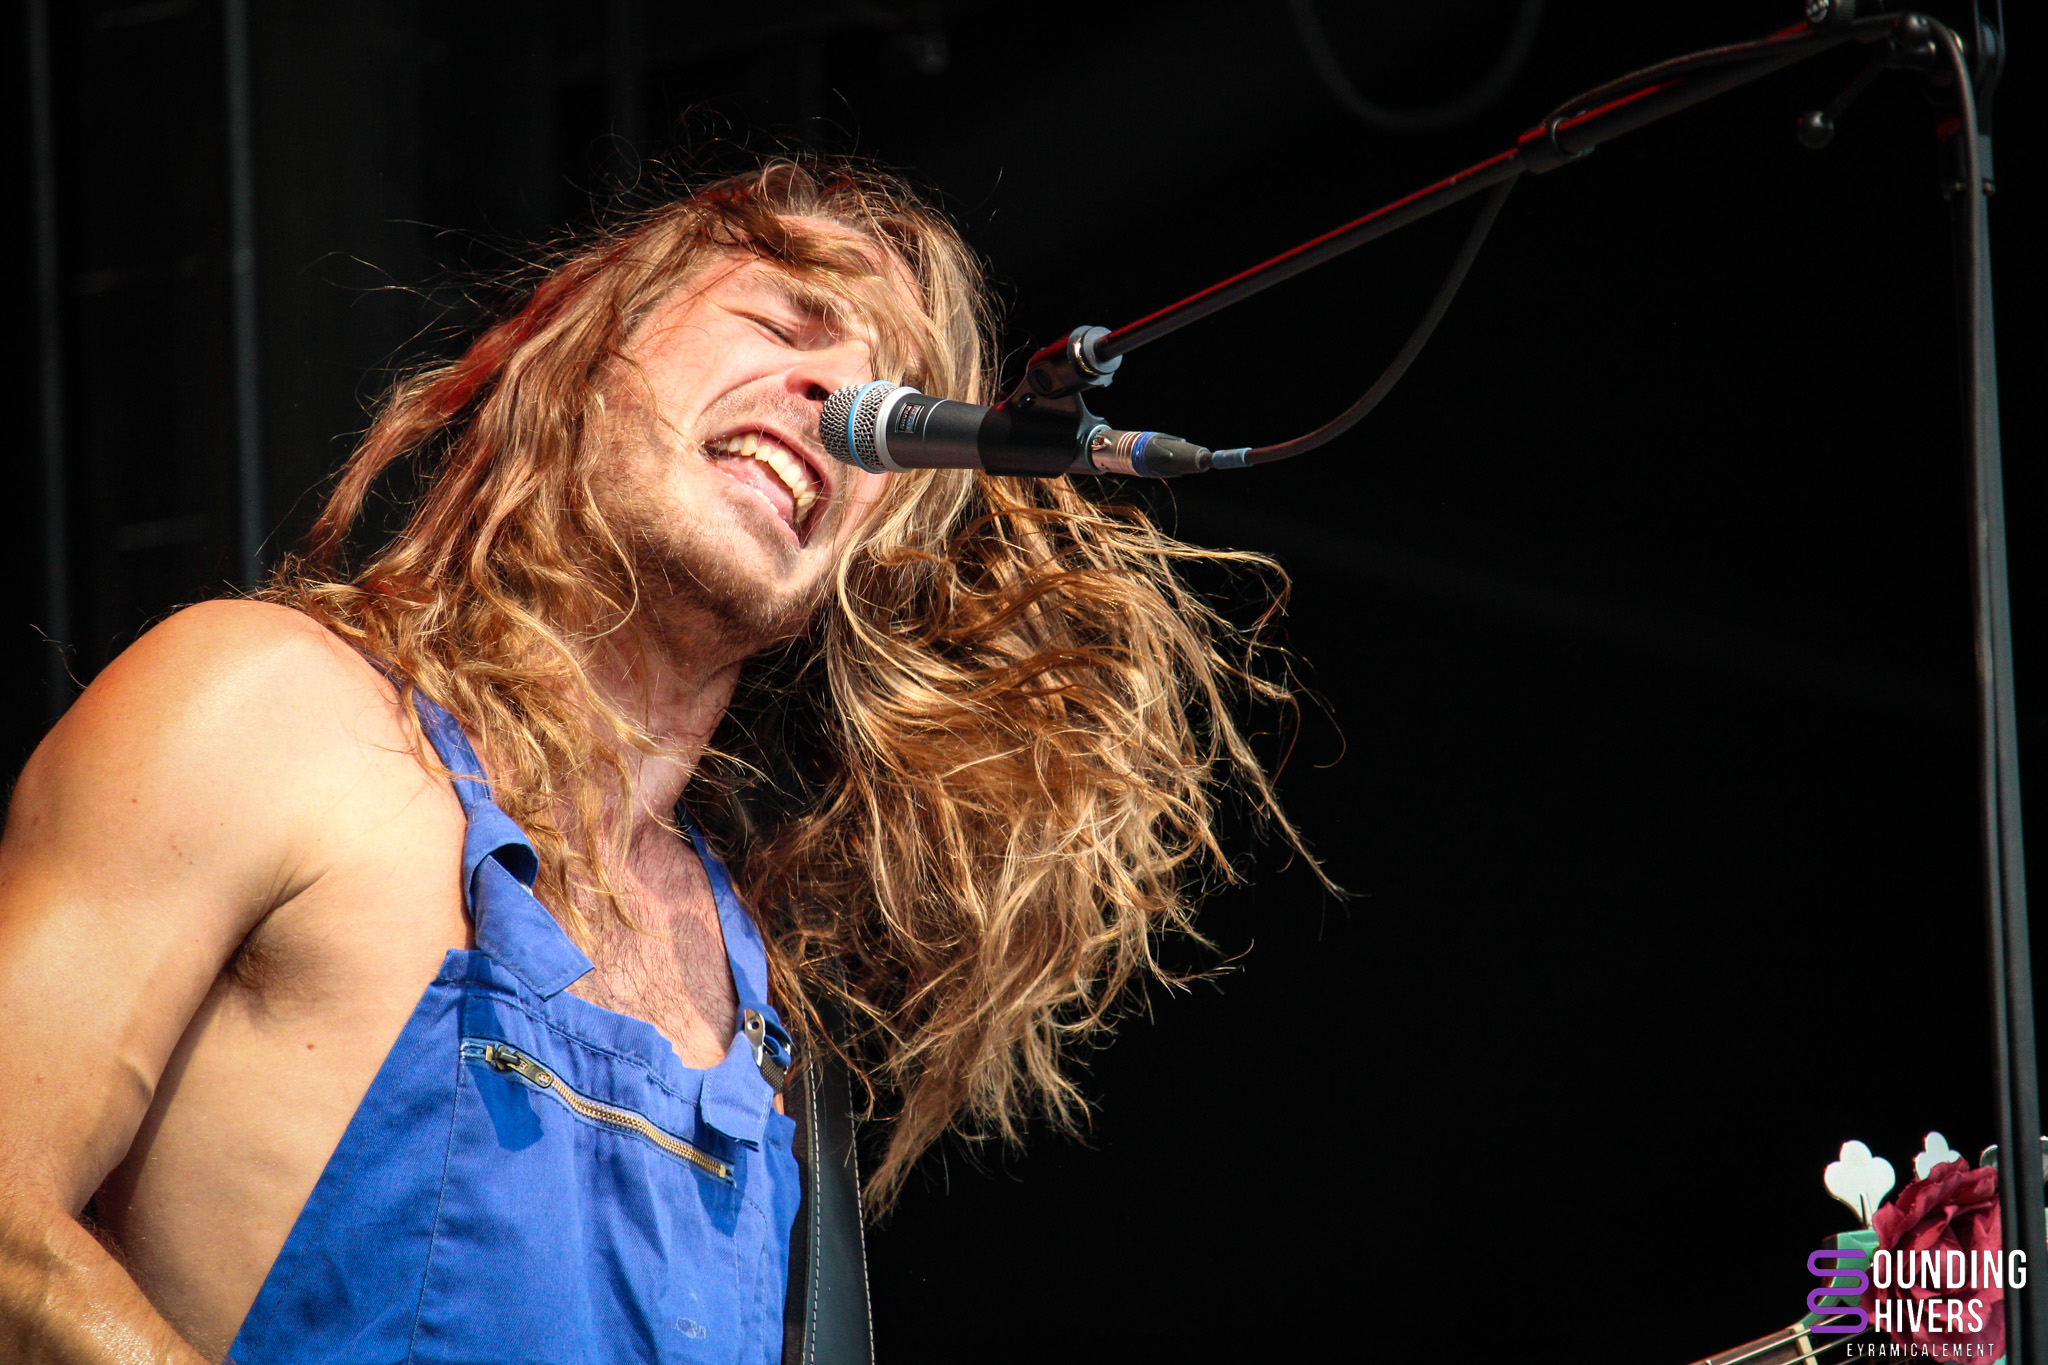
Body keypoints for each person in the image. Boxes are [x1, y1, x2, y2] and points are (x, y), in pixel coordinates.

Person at [0, 158, 1303, 1364]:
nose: (841, 402)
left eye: (889, 397)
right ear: (589, 345)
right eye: (786, 323)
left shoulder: (773, 1023)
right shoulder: (272, 708)